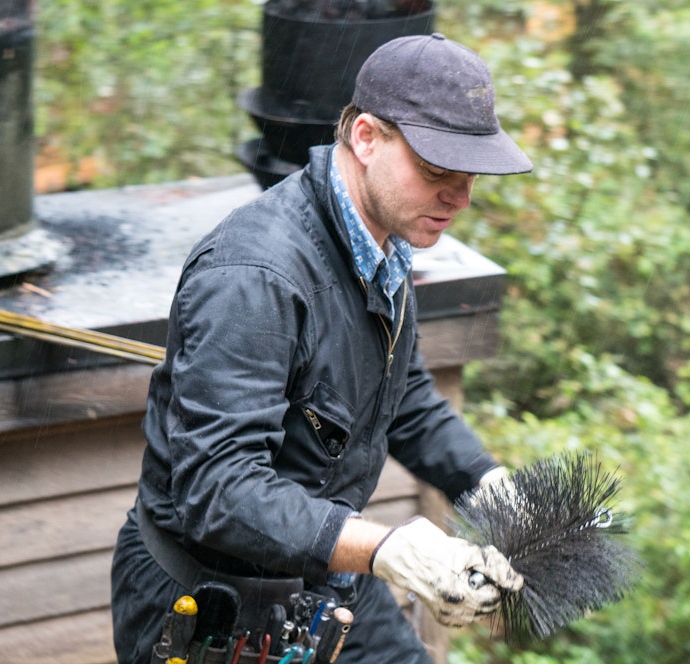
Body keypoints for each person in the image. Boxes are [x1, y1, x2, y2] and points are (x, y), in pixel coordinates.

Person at [111, 32, 533, 664]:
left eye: (471, 176)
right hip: (204, 604)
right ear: (366, 137)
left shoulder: (384, 239)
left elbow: (406, 395)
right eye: (438, 171)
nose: (460, 198)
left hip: (320, 585)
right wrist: (386, 549)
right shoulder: (253, 277)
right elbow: (218, 488)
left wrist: (484, 480)